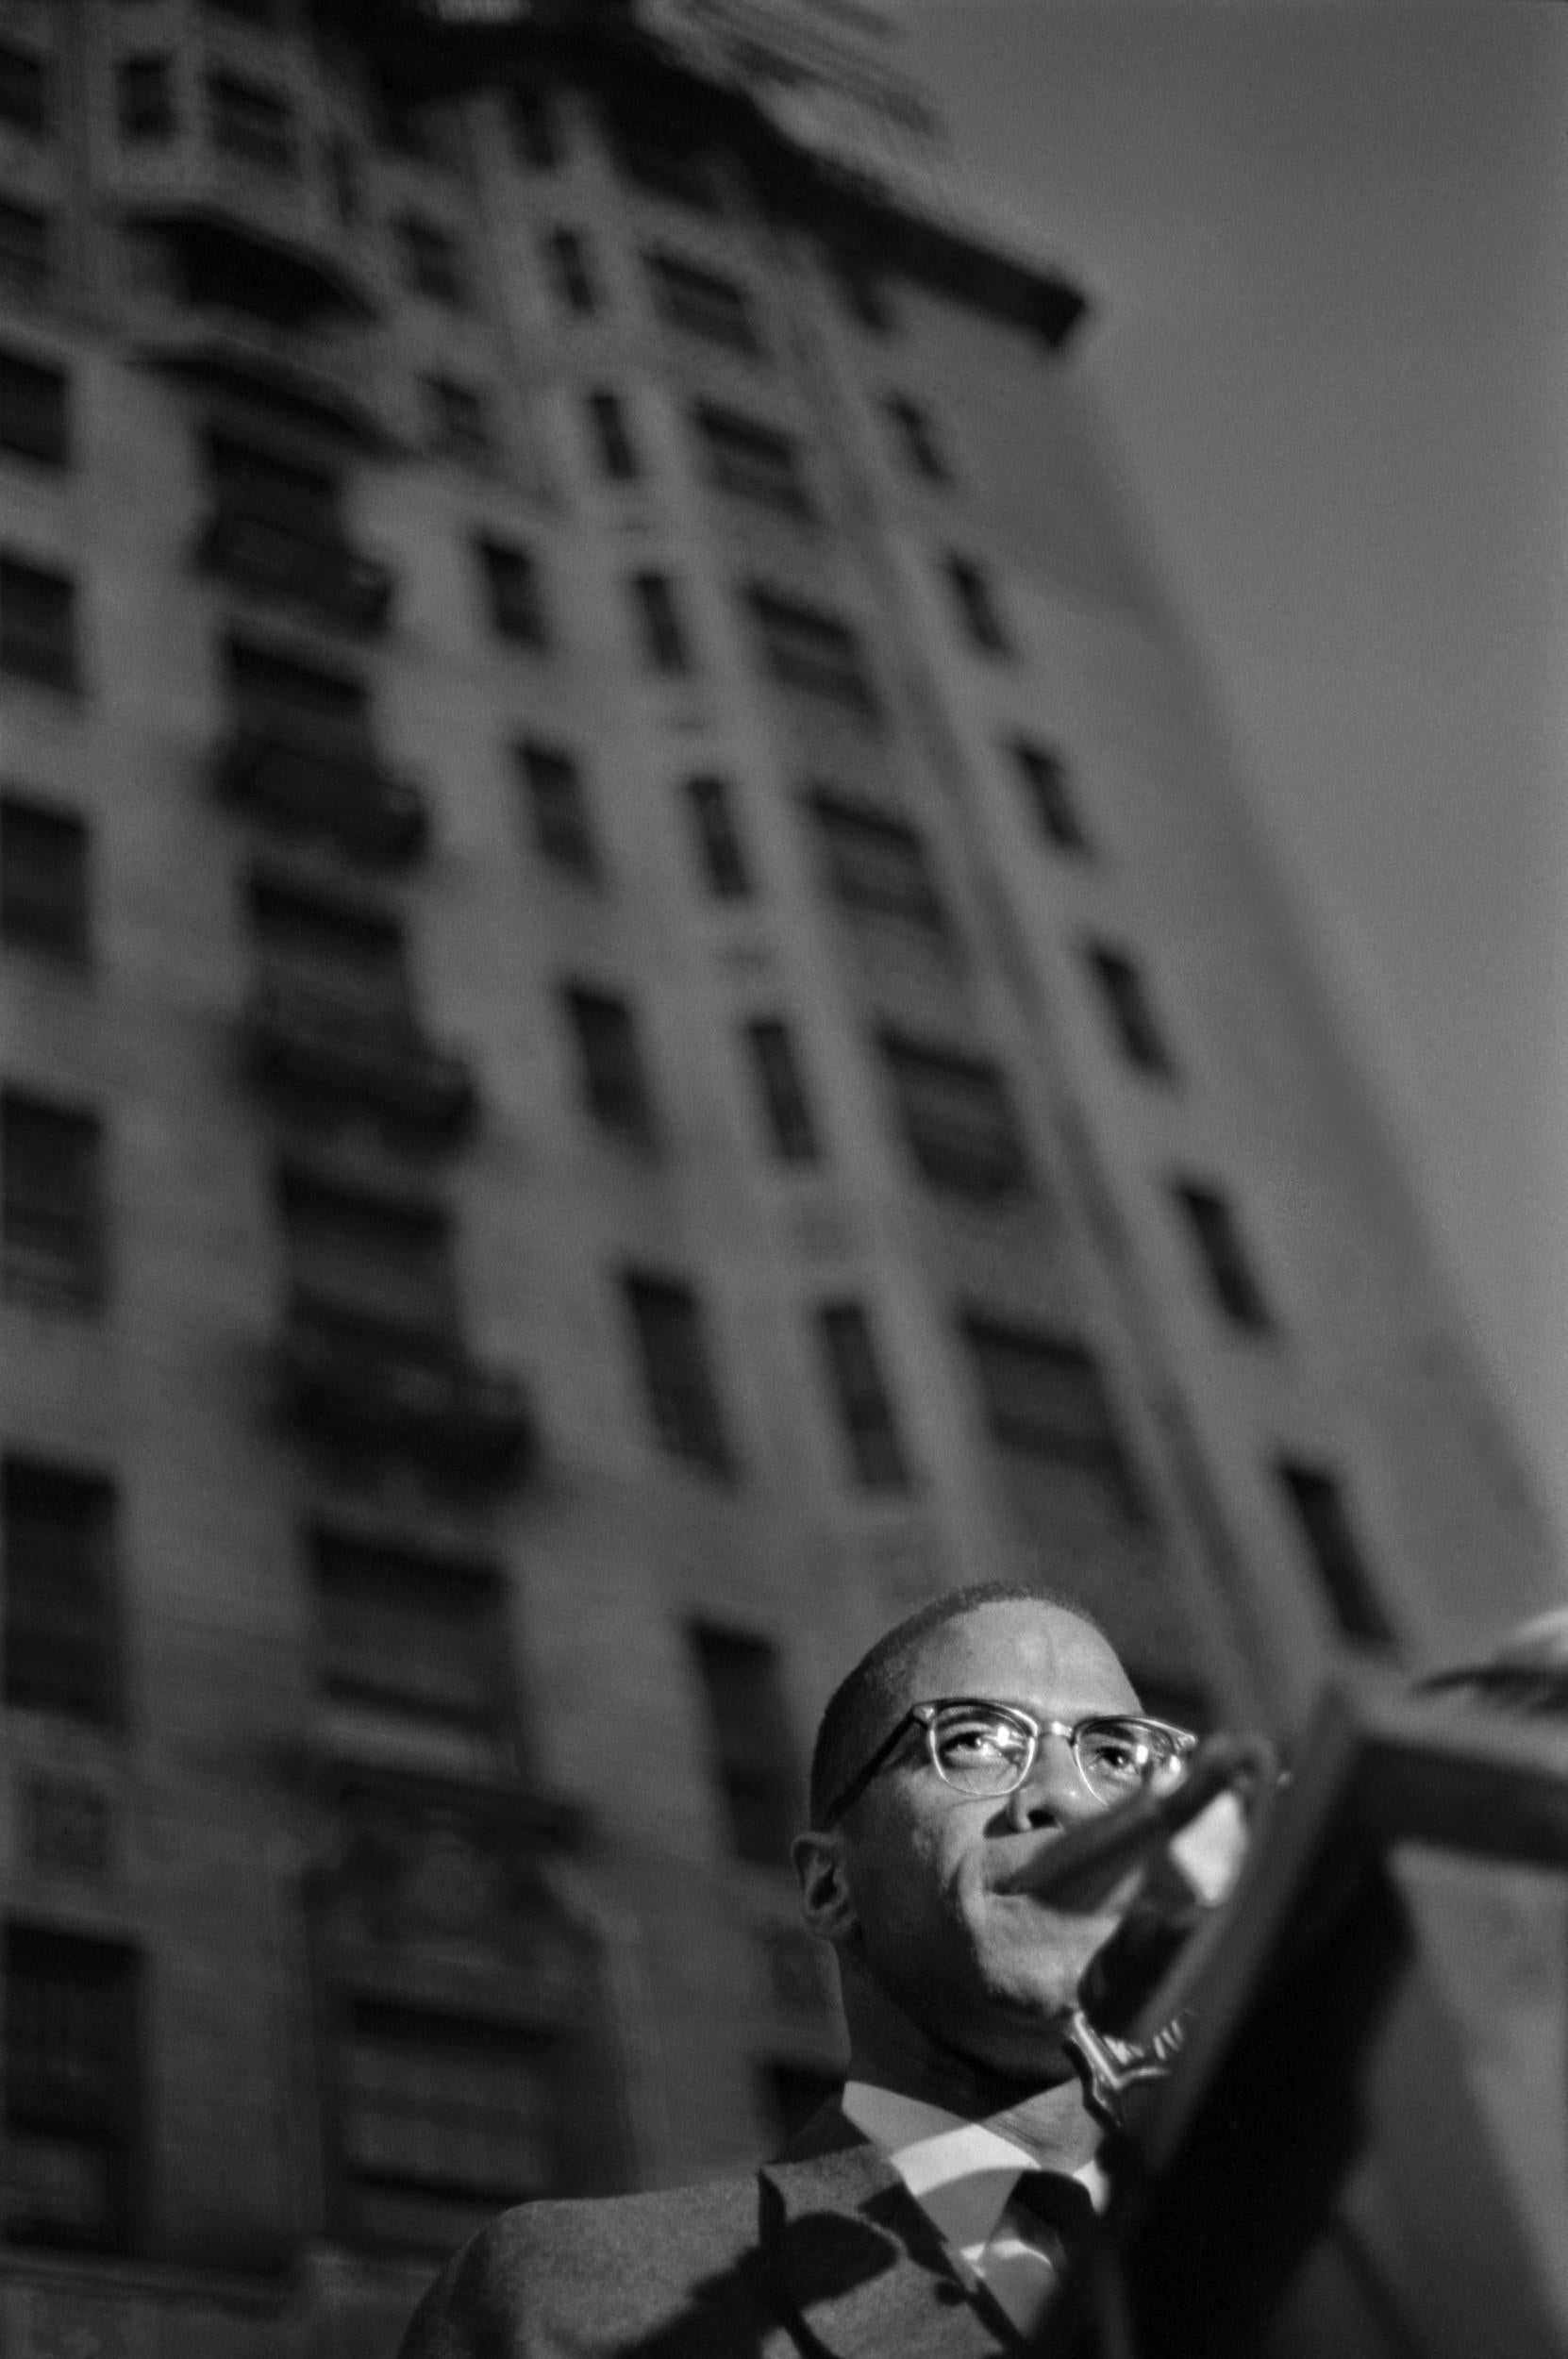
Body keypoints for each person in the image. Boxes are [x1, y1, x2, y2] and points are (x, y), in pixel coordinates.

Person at [397, 1581, 1197, 2358]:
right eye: (976, 1742)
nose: (1064, 1797)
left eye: (1119, 1756)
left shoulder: (1290, 2247)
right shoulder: (584, 2303)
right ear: (830, 1886)